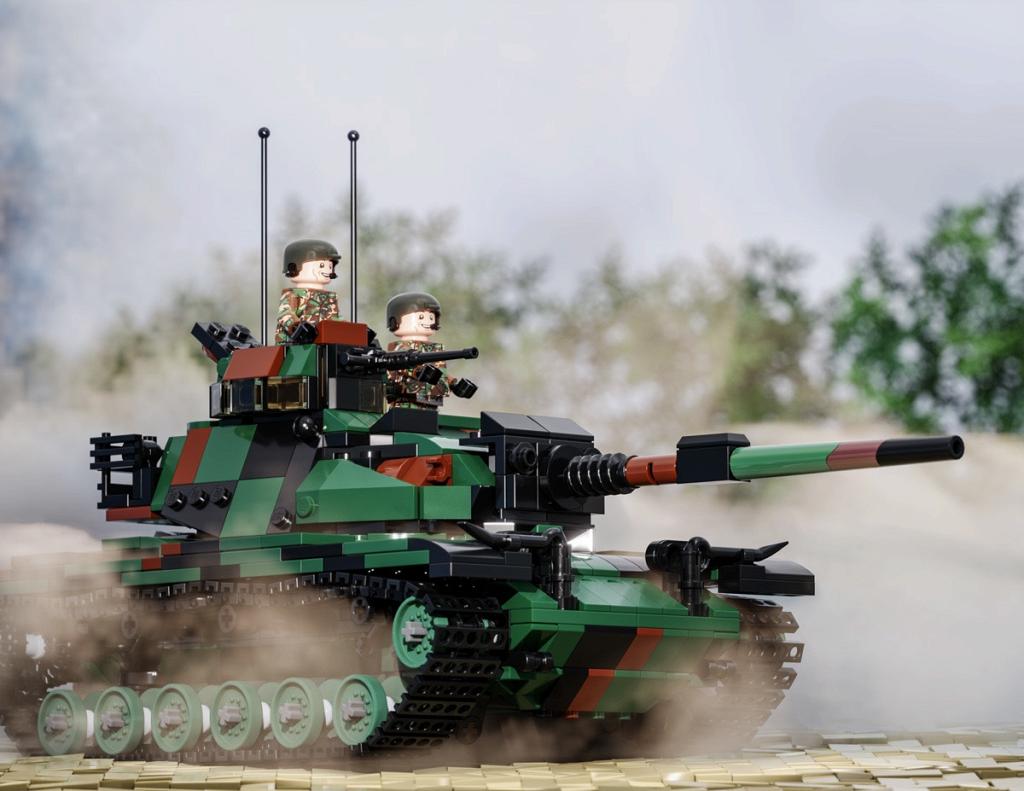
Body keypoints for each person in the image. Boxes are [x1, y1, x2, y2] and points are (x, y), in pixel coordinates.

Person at [384, 291, 477, 409]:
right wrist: (418, 371)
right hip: (406, 402)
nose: (428, 322)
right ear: (395, 321)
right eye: (421, 317)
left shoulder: (434, 349)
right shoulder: (400, 348)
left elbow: (440, 372)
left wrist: (454, 384)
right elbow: (400, 365)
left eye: (431, 317)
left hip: (431, 402)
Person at [275, 239, 342, 343]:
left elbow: (335, 319)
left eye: (330, 266)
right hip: (294, 346)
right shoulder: (293, 295)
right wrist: (298, 328)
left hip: (322, 346)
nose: (328, 270)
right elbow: (285, 315)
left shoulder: (330, 298)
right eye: (321, 265)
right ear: (294, 267)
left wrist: (353, 331)